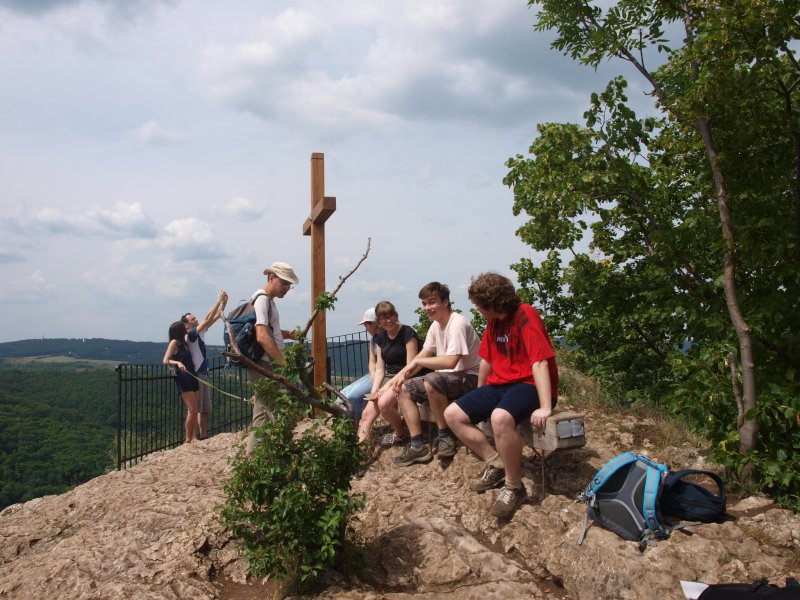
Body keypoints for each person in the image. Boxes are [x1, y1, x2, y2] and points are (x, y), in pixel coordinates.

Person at [444, 272, 558, 520]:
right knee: (452, 414)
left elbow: (539, 362)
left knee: (500, 418)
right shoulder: (493, 321)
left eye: (479, 304)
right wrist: (479, 392)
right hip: (501, 384)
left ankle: (514, 487)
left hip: (530, 384)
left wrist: (546, 406)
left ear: (492, 303)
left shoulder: (525, 314)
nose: (477, 308)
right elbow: (487, 359)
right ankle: (496, 462)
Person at [392, 282, 481, 466]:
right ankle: (417, 445)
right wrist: (403, 376)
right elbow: (423, 355)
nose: (427, 307)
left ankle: (445, 436)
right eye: (424, 303)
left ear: (445, 302)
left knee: (433, 380)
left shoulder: (457, 324)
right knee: (404, 388)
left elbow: (450, 361)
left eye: (431, 302)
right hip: (450, 378)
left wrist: (418, 362)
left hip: (471, 377)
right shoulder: (435, 325)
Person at [245, 261, 299, 455]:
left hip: (265, 362)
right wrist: (283, 364)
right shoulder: (262, 300)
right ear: (271, 278)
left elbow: (267, 330)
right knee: (271, 411)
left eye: (289, 284)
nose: (287, 288)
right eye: (284, 283)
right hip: (266, 364)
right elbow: (262, 336)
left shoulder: (267, 300)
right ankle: (258, 458)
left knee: (265, 412)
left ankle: (260, 457)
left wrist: (285, 334)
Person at [357, 300, 421, 445]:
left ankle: (400, 433)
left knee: (384, 404)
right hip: (389, 376)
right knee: (366, 415)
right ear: (379, 321)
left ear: (396, 315)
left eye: (391, 316)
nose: (388, 320)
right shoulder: (381, 338)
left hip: (406, 376)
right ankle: (360, 454)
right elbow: (380, 368)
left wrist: (387, 386)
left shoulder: (407, 332)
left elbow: (410, 366)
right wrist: (374, 391)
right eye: (384, 318)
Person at [181, 290, 228, 440]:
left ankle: (203, 436)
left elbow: (214, 317)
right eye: (192, 319)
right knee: (195, 409)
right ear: (186, 325)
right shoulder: (190, 335)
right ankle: (192, 437)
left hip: (203, 373)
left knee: (204, 409)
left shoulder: (198, 332)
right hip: (196, 375)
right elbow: (207, 319)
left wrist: (223, 303)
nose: (196, 319)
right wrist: (217, 301)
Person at [338, 307, 382, 431]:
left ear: (374, 323)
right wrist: (373, 375)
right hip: (373, 375)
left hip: (382, 375)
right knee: (342, 395)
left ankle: (354, 428)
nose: (365, 328)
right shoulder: (373, 339)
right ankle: (349, 426)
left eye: (366, 324)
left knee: (353, 397)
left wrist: (375, 378)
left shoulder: (382, 339)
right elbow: (372, 361)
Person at [163, 321, 201, 444]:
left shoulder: (184, 343)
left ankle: (194, 436)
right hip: (183, 378)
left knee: (195, 409)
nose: (186, 328)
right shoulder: (174, 342)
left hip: (192, 376)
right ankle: (188, 438)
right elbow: (165, 360)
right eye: (183, 327)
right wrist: (178, 363)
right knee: (192, 409)